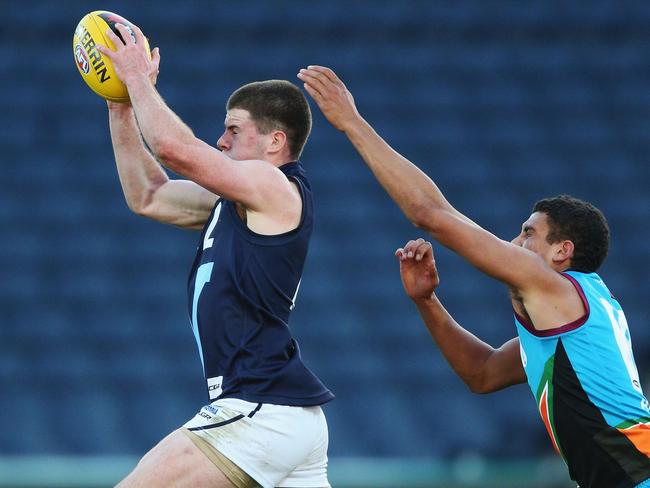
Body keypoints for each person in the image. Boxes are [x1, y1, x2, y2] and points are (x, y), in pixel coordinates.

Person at [297, 65, 650, 487]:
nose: (514, 243)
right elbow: (482, 373)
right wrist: (427, 302)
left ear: (562, 251)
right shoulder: (575, 320)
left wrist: (352, 123)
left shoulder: (555, 286)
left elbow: (429, 214)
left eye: (528, 233)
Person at [97, 25, 334, 488]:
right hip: (287, 416)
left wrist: (138, 79)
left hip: (259, 409)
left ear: (274, 142)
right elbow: (149, 194)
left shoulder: (275, 186)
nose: (222, 141)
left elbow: (173, 150)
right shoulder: (234, 202)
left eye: (233, 129)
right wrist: (120, 106)